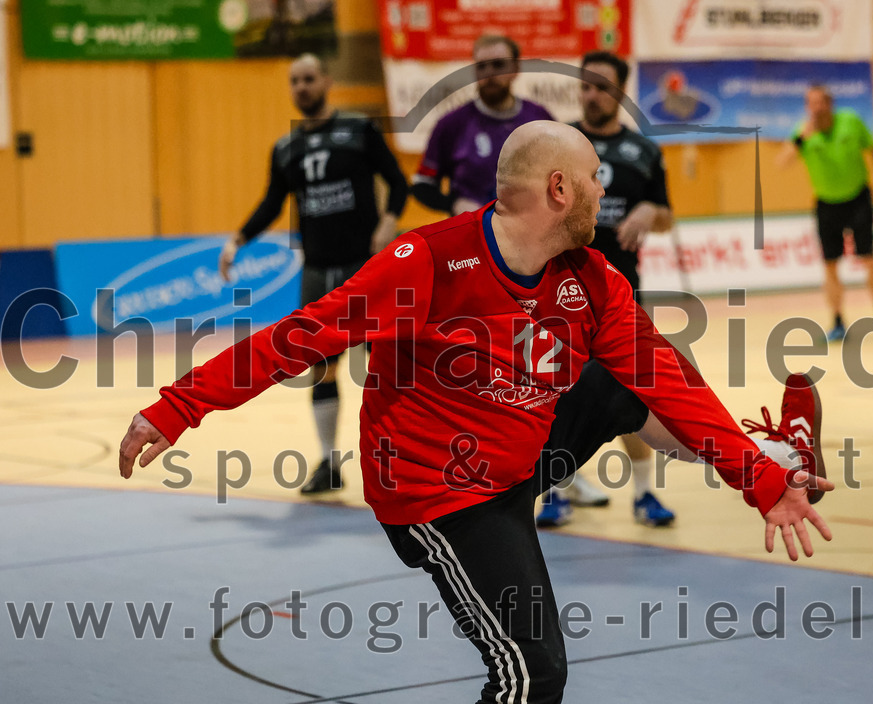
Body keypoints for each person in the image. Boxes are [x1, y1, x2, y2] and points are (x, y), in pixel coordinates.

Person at [120, 121, 833, 704]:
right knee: (532, 673)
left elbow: (665, 384)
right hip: (444, 497)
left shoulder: (592, 278)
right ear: (559, 189)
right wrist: (177, 408)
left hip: (522, 449)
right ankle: (774, 464)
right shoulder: (426, 263)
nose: (602, 191)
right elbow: (297, 338)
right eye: (593, 178)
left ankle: (780, 461)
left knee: (642, 374)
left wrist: (758, 483)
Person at [218, 53, 409, 494]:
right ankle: (329, 462)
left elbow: (398, 181)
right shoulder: (286, 148)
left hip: (366, 267)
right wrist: (237, 241)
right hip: (318, 271)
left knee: (389, 364)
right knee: (320, 366)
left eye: (309, 79)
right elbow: (271, 203)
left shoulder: (359, 131)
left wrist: (389, 219)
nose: (302, 87)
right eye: (295, 81)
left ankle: (401, 460)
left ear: (325, 80)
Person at [537, 50, 678, 528]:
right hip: (559, 292)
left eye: (600, 86)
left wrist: (649, 214)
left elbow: (667, 214)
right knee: (552, 393)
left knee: (630, 390)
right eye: (585, 85)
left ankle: (643, 495)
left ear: (618, 92)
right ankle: (553, 491)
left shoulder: (645, 151)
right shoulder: (560, 145)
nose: (590, 94)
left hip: (621, 295)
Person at [777, 84, 873, 342]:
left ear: (830, 104)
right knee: (830, 265)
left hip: (858, 199)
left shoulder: (851, 122)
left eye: (820, 102)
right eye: (811, 103)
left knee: (868, 257)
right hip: (826, 204)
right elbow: (782, 162)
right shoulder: (803, 133)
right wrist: (801, 139)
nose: (816, 108)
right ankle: (838, 321)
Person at [410, 34, 553, 215]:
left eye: (498, 65)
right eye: (481, 66)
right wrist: (454, 203)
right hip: (473, 234)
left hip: (533, 231)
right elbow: (423, 185)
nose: (490, 73)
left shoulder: (540, 119)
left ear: (515, 69)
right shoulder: (451, 124)